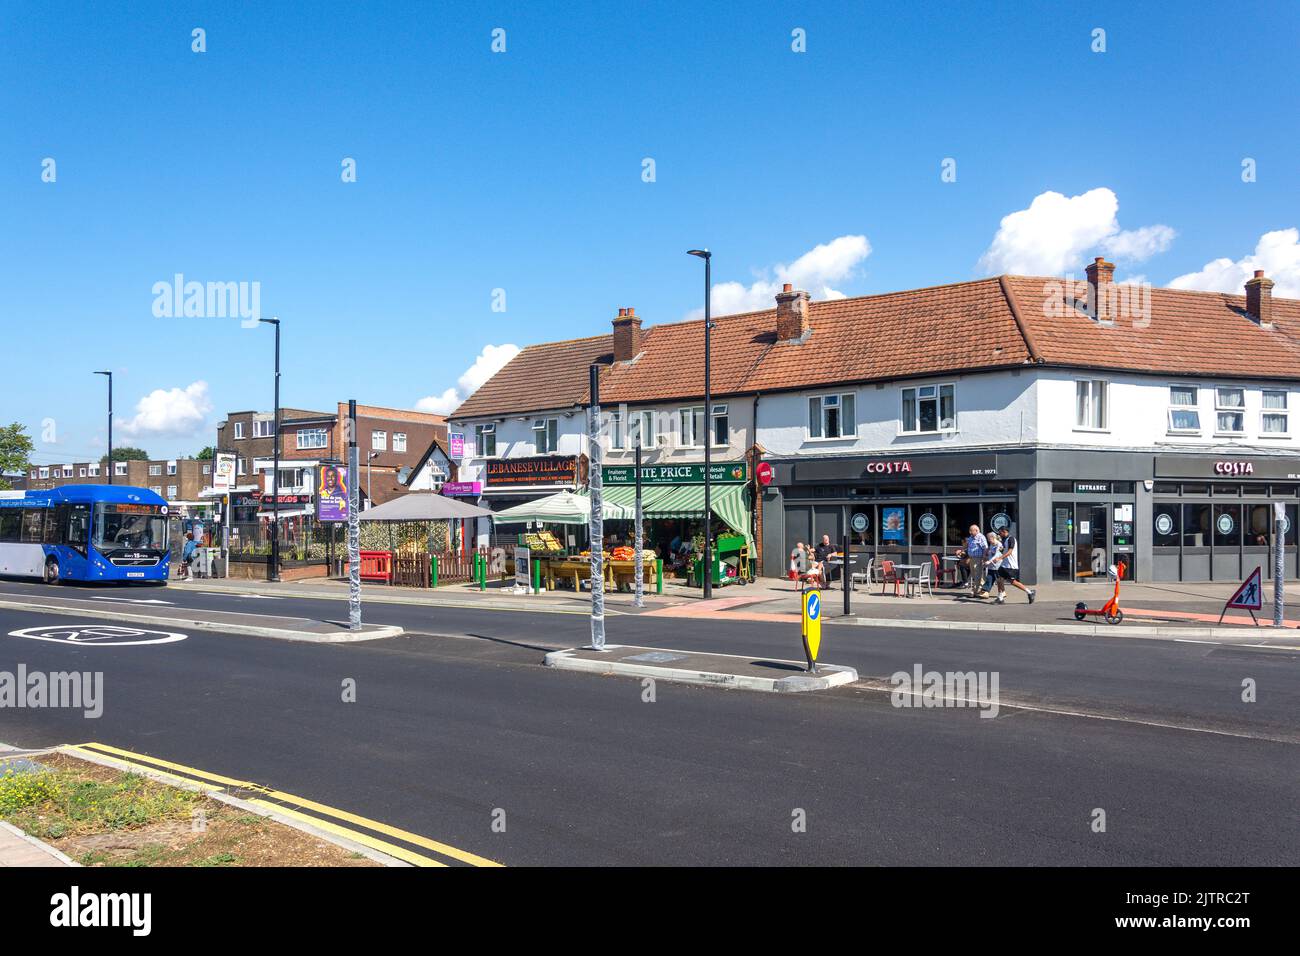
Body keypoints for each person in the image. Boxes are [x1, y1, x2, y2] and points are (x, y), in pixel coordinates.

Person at [986, 528, 1036, 604]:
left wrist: (999, 558)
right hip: (1004, 565)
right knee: (999, 579)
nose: (999, 534)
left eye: (1000, 533)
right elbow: (1003, 550)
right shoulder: (1004, 540)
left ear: (1004, 532)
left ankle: (1030, 592)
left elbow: (1010, 552)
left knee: (1013, 582)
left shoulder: (1011, 539)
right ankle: (1000, 598)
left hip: (1011, 565)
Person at [962, 524, 989, 597]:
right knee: (974, 575)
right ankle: (981, 589)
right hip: (972, 558)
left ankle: (974, 591)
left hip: (978, 558)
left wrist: (984, 558)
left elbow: (985, 548)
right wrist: (963, 551)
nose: (970, 532)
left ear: (976, 530)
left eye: (971, 530)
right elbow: (969, 547)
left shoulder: (981, 537)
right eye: (969, 530)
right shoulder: (971, 537)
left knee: (977, 575)